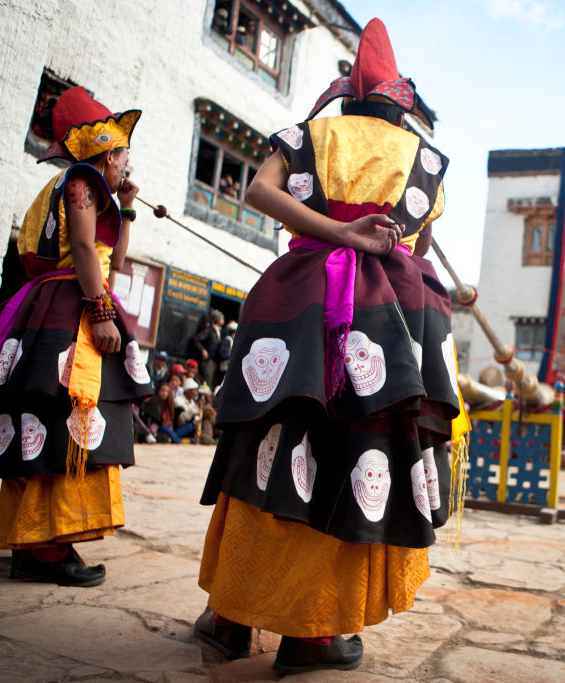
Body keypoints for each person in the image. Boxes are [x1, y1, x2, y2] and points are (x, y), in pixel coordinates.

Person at [193, 19, 467, 675]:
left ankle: (230, 614)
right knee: (353, 448)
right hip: (387, 314)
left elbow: (259, 191)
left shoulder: (312, 134)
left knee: (275, 439)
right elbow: (417, 244)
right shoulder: (424, 161)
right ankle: (312, 632)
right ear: (400, 102)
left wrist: (333, 234)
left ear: (350, 91)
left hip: (297, 303)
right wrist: (371, 240)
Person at [0, 86, 151, 587]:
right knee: (60, 414)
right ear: (108, 152)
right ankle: (44, 549)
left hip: (45, 307)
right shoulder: (82, 181)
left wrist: (125, 208)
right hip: (70, 307)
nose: (127, 164)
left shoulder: (69, 187)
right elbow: (84, 247)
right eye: (124, 155)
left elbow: (115, 260)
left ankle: (38, 543)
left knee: (44, 415)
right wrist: (100, 311)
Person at [191, 310, 224, 387]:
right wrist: (203, 349)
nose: (222, 320)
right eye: (221, 318)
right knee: (207, 382)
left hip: (216, 361)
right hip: (209, 361)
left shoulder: (218, 331)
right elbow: (196, 339)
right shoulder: (209, 330)